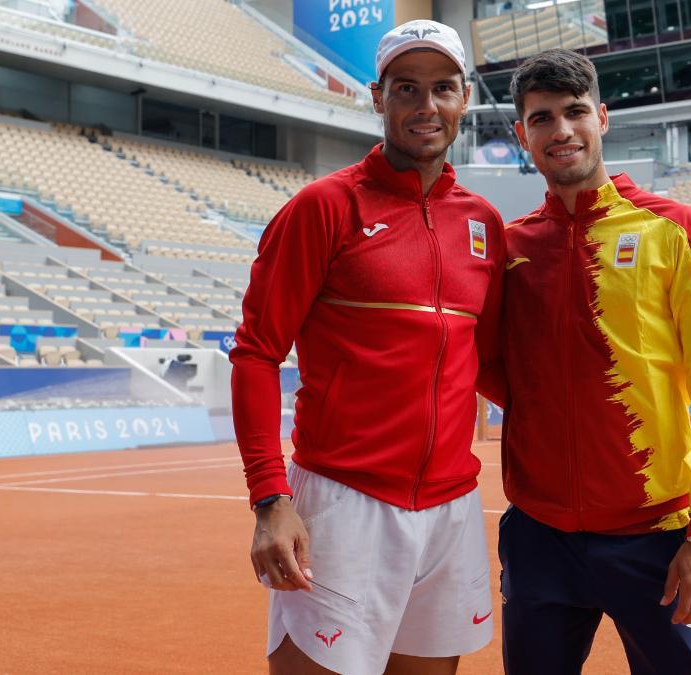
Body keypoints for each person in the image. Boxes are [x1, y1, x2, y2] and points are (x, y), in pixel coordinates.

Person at [229, 20, 504, 675]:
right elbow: (256, 352)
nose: (426, 106)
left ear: (464, 98)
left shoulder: (484, 223)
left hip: (451, 509)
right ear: (378, 98)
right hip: (343, 503)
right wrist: (270, 499)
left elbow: (492, 367)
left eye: (443, 88)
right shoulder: (322, 207)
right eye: (407, 89)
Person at [491, 49, 691, 675]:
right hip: (539, 535)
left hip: (657, 538)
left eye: (575, 112)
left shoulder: (676, 231)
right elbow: (495, 372)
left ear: (602, 118)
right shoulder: (511, 247)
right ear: (522, 135)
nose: (562, 131)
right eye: (542, 118)